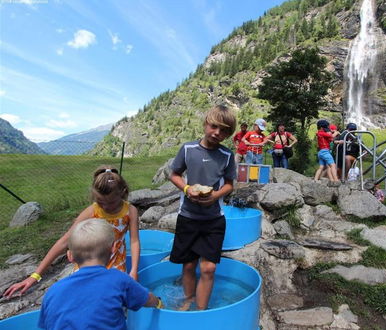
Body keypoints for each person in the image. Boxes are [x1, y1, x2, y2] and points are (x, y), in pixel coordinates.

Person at [3, 165, 140, 299]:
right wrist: (35, 276)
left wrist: (133, 270)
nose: (105, 207)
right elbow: (64, 242)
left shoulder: (130, 211)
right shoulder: (93, 211)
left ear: (123, 192)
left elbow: (134, 241)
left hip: (115, 265)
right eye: (100, 202)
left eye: (111, 203)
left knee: (112, 299)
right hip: (88, 265)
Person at [169, 105, 237, 311]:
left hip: (213, 219)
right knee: (189, 264)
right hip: (188, 217)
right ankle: (189, 299)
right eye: (214, 126)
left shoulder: (227, 155)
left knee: (208, 268)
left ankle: (201, 310)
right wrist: (188, 189)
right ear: (205, 124)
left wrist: (215, 195)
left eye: (224, 130)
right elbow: (174, 174)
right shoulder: (188, 149)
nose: (217, 133)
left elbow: (229, 184)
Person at [38, 219, 161, 330]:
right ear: (113, 248)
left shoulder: (53, 291)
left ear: (70, 256)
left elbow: (46, 325)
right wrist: (159, 303)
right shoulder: (118, 280)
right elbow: (147, 299)